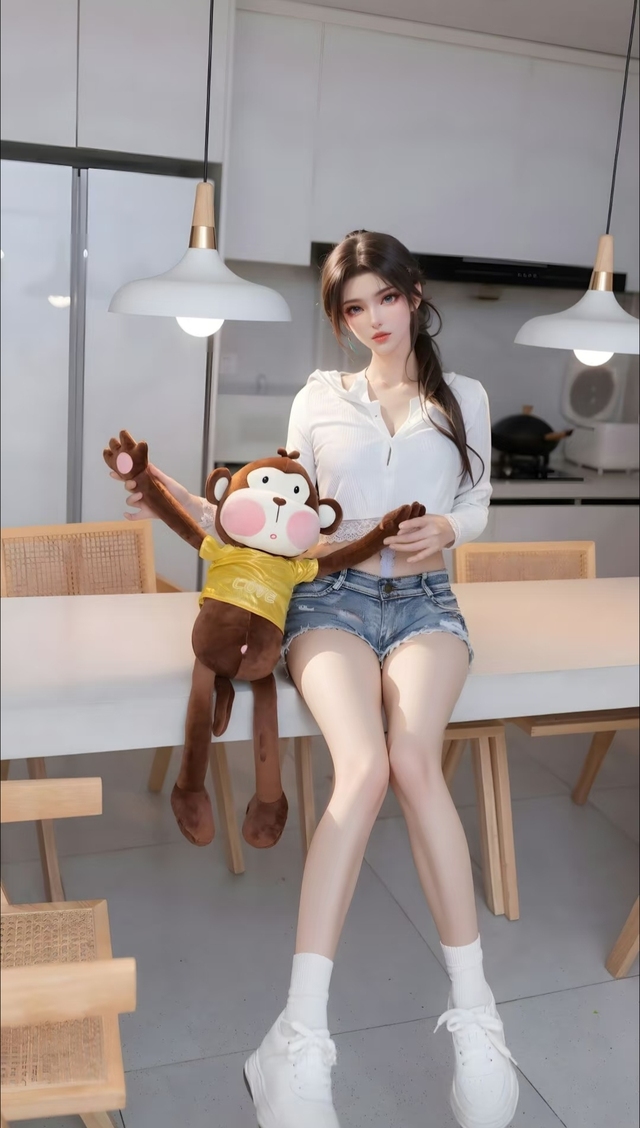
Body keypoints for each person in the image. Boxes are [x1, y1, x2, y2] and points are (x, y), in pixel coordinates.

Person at [113, 231, 519, 1128]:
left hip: (426, 605)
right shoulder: (319, 398)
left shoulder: (465, 397)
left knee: (414, 760)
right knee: (363, 768)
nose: (372, 321)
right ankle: (299, 1034)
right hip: (330, 601)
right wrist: (167, 493)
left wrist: (451, 531)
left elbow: (477, 500)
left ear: (415, 295)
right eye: (353, 308)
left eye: (385, 299)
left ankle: (477, 1016)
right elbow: (273, 515)